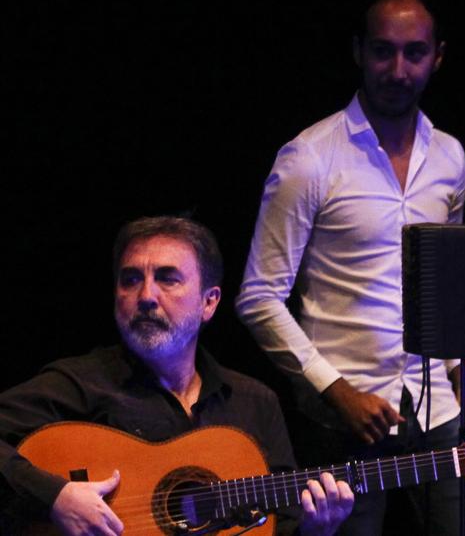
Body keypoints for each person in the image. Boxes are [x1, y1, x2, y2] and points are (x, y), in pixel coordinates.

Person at [236, 0, 465, 535]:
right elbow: (259, 297)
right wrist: (334, 388)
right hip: (346, 415)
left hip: (438, 407)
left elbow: (446, 288)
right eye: (383, 51)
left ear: (438, 56)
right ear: (358, 51)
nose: (397, 69)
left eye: (414, 53)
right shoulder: (310, 158)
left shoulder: (449, 156)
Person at [0, 216, 354, 535]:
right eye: (131, 279)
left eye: (167, 279)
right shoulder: (80, 383)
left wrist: (315, 530)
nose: (146, 296)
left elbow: (280, 524)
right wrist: (55, 495)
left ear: (209, 302)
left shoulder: (254, 402)